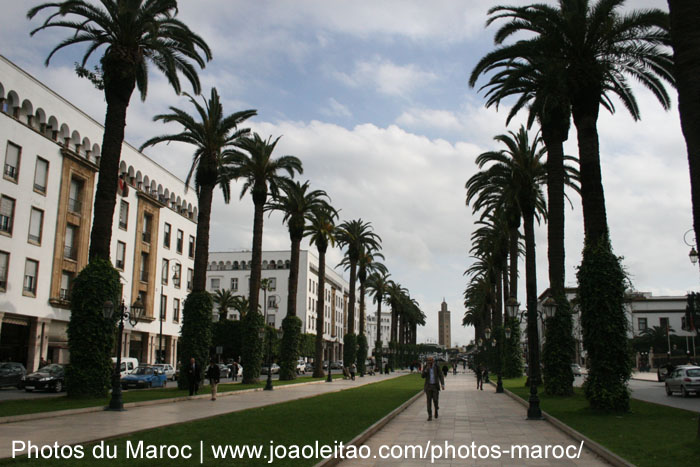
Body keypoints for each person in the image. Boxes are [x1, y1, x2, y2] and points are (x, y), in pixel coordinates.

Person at [421, 356, 445, 421]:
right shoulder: (426, 367)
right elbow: (422, 376)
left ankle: (436, 409)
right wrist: (426, 370)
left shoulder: (436, 367)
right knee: (429, 402)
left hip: (435, 386)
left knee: (435, 400)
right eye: (428, 361)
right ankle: (430, 415)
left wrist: (442, 384)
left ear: (433, 361)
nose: (429, 362)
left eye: (431, 360)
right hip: (428, 386)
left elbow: (440, 375)